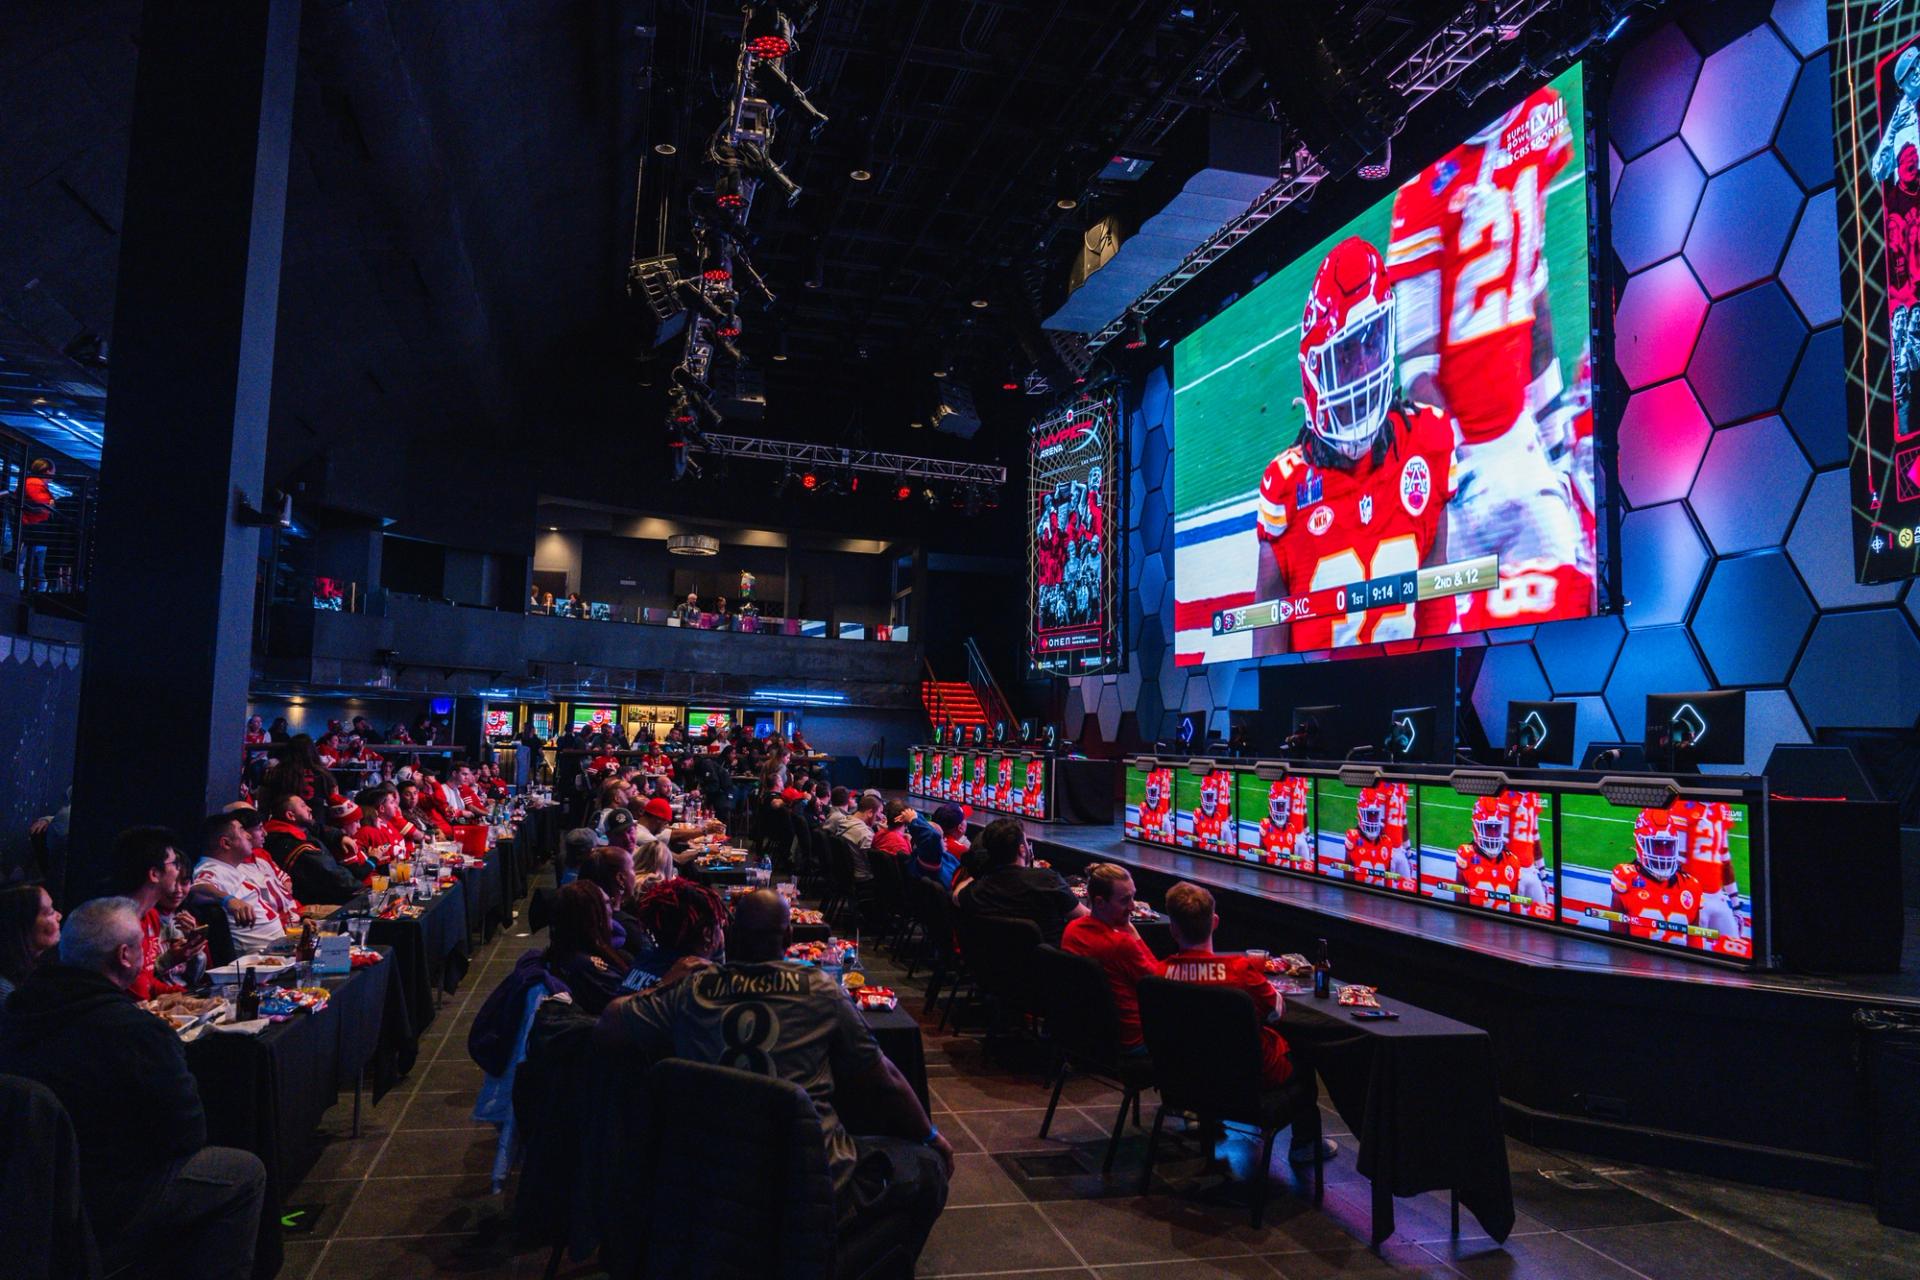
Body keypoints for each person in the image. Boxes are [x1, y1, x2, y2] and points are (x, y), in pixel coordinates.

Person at [597, 889, 951, 1267]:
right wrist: (933, 1137)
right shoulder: (820, 990)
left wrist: (667, 980)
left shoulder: (689, 990)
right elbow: (886, 1082)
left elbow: (608, 1024)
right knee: (926, 1166)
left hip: (706, 1178)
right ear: (786, 941)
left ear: (730, 938)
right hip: (808, 1182)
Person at [0, 897, 269, 1280]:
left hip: (30, 1198)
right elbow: (188, 1132)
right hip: (110, 1199)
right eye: (143, 949)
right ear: (125, 956)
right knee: (243, 1172)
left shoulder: (19, 1011)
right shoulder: (135, 1030)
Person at [1159, 882, 1331, 1162]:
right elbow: (1278, 1011)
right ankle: (1305, 1146)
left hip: (1183, 1082)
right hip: (1248, 1083)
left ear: (1173, 928)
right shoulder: (1240, 972)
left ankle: (1204, 1118)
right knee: (1303, 1053)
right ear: (1215, 922)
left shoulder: (1158, 975)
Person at [1060, 864, 1159, 1053]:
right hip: (1134, 1039)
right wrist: (1133, 932)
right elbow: (1158, 986)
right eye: (1125, 900)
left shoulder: (1072, 930)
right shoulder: (1120, 944)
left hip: (1088, 1033)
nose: (1132, 907)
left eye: (1133, 897)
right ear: (1100, 903)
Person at [954, 818, 1085, 945]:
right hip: (1045, 965)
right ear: (1022, 849)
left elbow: (956, 895)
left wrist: (981, 871)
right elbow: (1085, 916)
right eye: (1027, 842)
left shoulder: (979, 889)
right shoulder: (1048, 880)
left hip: (991, 964)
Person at [191, 813, 297, 953]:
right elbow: (195, 889)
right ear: (226, 843)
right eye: (241, 830)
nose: (248, 835)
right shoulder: (211, 868)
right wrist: (228, 900)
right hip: (261, 962)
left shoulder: (228, 868)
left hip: (279, 950)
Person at [624, 875, 726, 993]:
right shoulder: (702, 983)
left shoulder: (643, 960)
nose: (721, 929)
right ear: (707, 934)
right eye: (720, 924)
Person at [545, 881, 632, 1016]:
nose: (611, 909)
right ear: (592, 916)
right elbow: (630, 1008)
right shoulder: (588, 967)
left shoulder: (568, 951)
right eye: (607, 904)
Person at [263, 793, 366, 904]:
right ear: (290, 816)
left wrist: (340, 837)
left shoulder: (292, 829)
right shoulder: (297, 847)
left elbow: (317, 828)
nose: (310, 808)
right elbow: (335, 877)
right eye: (303, 806)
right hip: (319, 902)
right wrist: (364, 890)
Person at [0, 880, 61, 1005]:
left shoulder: (37, 971)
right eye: (50, 912)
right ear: (23, 924)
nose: (59, 916)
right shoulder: (6, 995)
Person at [18, 458, 57, 591]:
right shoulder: (34, 484)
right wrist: (50, 504)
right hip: (33, 528)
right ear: (47, 471)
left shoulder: (33, 483)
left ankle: (29, 587)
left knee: (30, 562)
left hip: (33, 528)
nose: (54, 475)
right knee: (30, 563)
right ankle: (28, 589)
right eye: (53, 472)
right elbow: (44, 504)